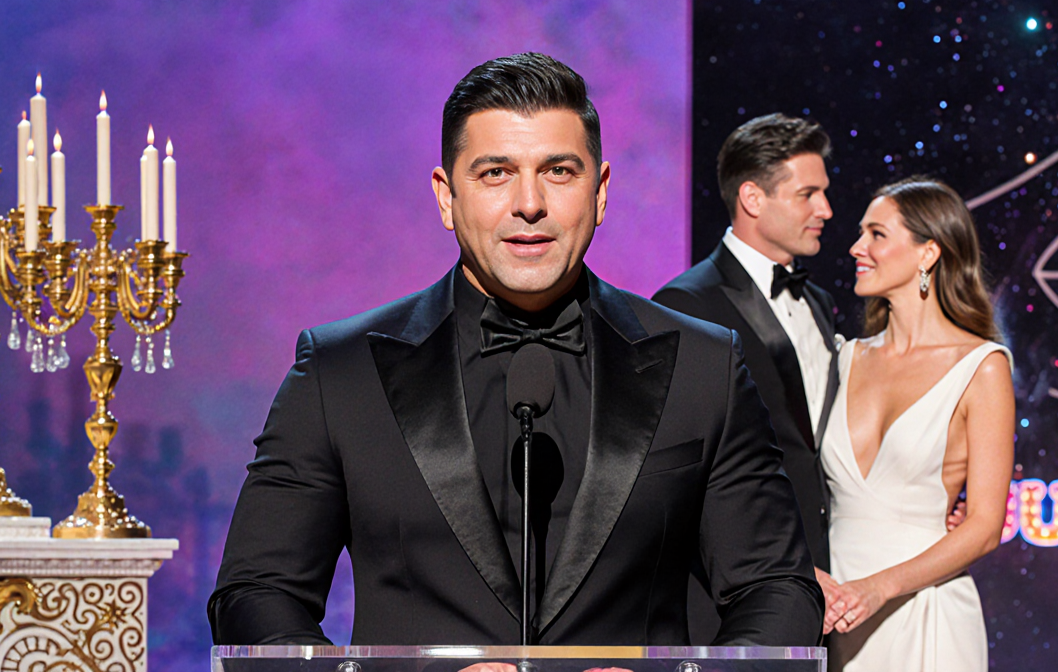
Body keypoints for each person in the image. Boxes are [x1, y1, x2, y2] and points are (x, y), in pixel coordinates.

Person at [208, 53, 824, 647]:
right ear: (447, 197)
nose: (529, 203)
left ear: (601, 190)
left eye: (559, 171)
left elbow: (777, 590)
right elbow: (257, 594)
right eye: (495, 173)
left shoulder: (703, 365)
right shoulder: (340, 371)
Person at [652, 113, 842, 643]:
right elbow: (678, 474)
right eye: (809, 194)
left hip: (834, 584)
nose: (825, 210)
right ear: (754, 199)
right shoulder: (686, 303)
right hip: (741, 599)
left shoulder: (821, 305)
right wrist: (785, 568)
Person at [821, 177, 1014, 671]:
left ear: (928, 252)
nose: (856, 247)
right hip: (836, 611)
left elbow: (986, 527)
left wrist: (879, 588)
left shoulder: (982, 366)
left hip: (926, 612)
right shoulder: (844, 357)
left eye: (876, 234)